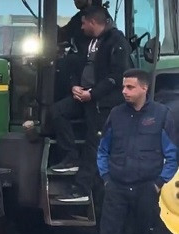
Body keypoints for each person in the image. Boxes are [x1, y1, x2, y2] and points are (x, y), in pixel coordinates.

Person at [80, 69, 178, 234]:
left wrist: (159, 183)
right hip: (117, 187)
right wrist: (106, 177)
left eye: (130, 87)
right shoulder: (116, 115)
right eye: (124, 87)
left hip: (146, 187)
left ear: (144, 88)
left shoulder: (162, 114)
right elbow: (103, 149)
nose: (124, 91)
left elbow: (172, 154)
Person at [49, 5, 131, 203]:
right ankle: (70, 157)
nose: (81, 26)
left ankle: (82, 189)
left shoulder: (117, 42)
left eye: (84, 23)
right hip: (84, 96)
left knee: (93, 142)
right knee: (56, 111)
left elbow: (117, 77)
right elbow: (78, 67)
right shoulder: (88, 41)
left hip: (103, 102)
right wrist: (74, 87)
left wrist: (92, 94)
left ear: (93, 22)